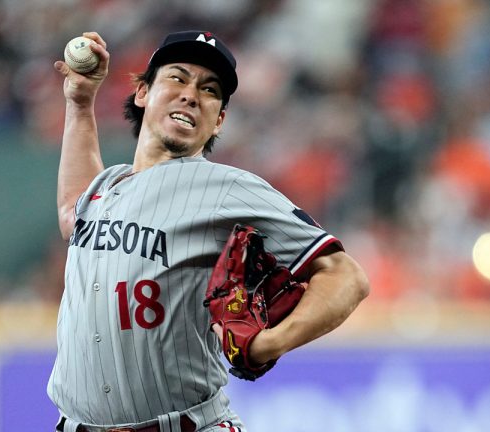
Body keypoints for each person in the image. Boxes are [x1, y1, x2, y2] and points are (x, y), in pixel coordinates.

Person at [48, 30, 370, 432]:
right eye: (177, 78)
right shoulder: (107, 185)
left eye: (209, 89)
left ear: (218, 121)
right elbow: (72, 212)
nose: (190, 94)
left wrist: (272, 342)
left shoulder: (227, 187)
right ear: (143, 93)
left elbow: (346, 276)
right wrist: (80, 102)